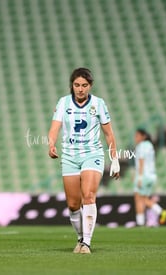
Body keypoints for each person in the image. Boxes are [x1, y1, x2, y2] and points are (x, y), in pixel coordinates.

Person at [48, 68, 120, 254]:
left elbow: (109, 134)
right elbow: (54, 128)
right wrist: (51, 144)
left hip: (92, 154)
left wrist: (115, 159)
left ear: (90, 86)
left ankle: (86, 243)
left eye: (84, 85)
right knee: (73, 204)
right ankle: (80, 238)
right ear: (72, 85)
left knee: (88, 195)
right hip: (70, 156)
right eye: (77, 85)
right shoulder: (63, 103)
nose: (80, 89)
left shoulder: (99, 104)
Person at [133, 128, 166, 226]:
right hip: (151, 175)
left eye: (137, 135)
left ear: (143, 136)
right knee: (144, 199)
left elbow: (141, 161)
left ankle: (140, 223)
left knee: (138, 199)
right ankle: (160, 212)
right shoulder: (150, 146)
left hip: (143, 175)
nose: (135, 138)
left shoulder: (141, 146)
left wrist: (139, 177)